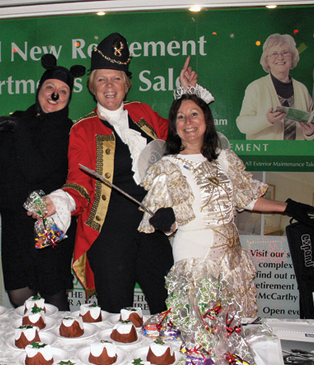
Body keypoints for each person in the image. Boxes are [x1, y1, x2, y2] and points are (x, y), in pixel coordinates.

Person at [30, 33, 206, 314]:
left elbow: (180, 139)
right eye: (102, 79)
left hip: (152, 228)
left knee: (170, 309)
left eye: (116, 79)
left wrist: (188, 94)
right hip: (110, 237)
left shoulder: (143, 113)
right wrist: (60, 201)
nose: (109, 86)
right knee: (117, 316)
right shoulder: (82, 129)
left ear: (126, 85)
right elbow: (79, 182)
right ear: (92, 87)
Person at [138, 92, 314, 316]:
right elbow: (161, 222)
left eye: (194, 114)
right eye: (181, 117)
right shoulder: (167, 166)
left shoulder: (224, 159)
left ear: (206, 120)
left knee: (231, 323)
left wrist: (288, 207)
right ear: (175, 126)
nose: (188, 122)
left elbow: (247, 198)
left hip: (231, 254)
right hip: (195, 253)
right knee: (200, 324)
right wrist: (165, 221)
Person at [0, 54, 85, 311]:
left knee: (53, 295)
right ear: (39, 90)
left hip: (49, 223)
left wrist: (17, 129)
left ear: (68, 98)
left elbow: (37, 171)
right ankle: (30, 346)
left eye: (63, 91)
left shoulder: (68, 130)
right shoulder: (19, 119)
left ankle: (60, 348)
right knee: (19, 295)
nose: (55, 94)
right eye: (50, 88)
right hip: (15, 225)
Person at [236, 33, 314, 140]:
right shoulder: (255, 87)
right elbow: (242, 125)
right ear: (267, 60)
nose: (280, 57)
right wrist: (266, 120)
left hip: (296, 154)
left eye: (285, 53)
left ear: (292, 57)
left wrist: (311, 133)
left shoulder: (302, 89)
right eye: (274, 54)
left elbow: (312, 125)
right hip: (265, 155)